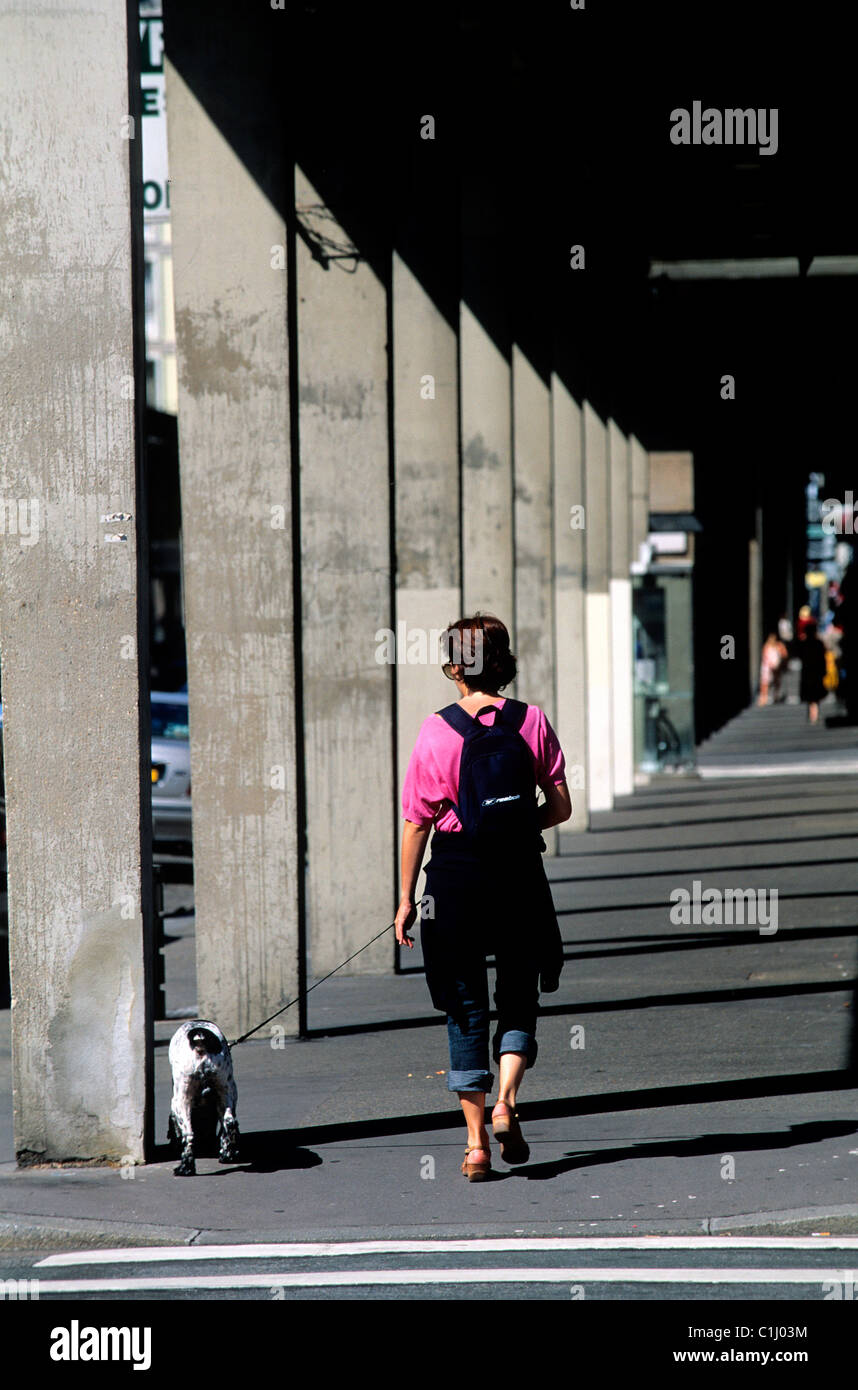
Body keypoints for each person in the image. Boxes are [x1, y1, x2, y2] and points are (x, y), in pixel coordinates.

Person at [394, 614, 572, 1181]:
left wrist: (405, 900)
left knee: (464, 1007)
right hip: (519, 876)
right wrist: (521, 829)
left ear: (453, 667)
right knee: (519, 996)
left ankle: (474, 1146)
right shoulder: (532, 720)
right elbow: (561, 807)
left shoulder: (434, 730)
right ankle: (507, 1103)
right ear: (503, 662)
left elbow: (417, 825)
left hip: (455, 882)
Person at [798, 619, 827, 724]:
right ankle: (814, 713)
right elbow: (822, 658)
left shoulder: (805, 643)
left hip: (809, 671)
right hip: (815, 671)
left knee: (811, 693)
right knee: (815, 692)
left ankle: (812, 713)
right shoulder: (818, 643)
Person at [758, 633, 787, 707]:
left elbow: (785, 654)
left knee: (776, 681)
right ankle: (764, 697)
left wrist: (780, 661)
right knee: (765, 682)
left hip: (776, 666)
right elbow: (765, 656)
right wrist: (771, 664)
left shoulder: (778, 645)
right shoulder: (767, 646)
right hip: (768, 667)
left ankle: (775, 696)